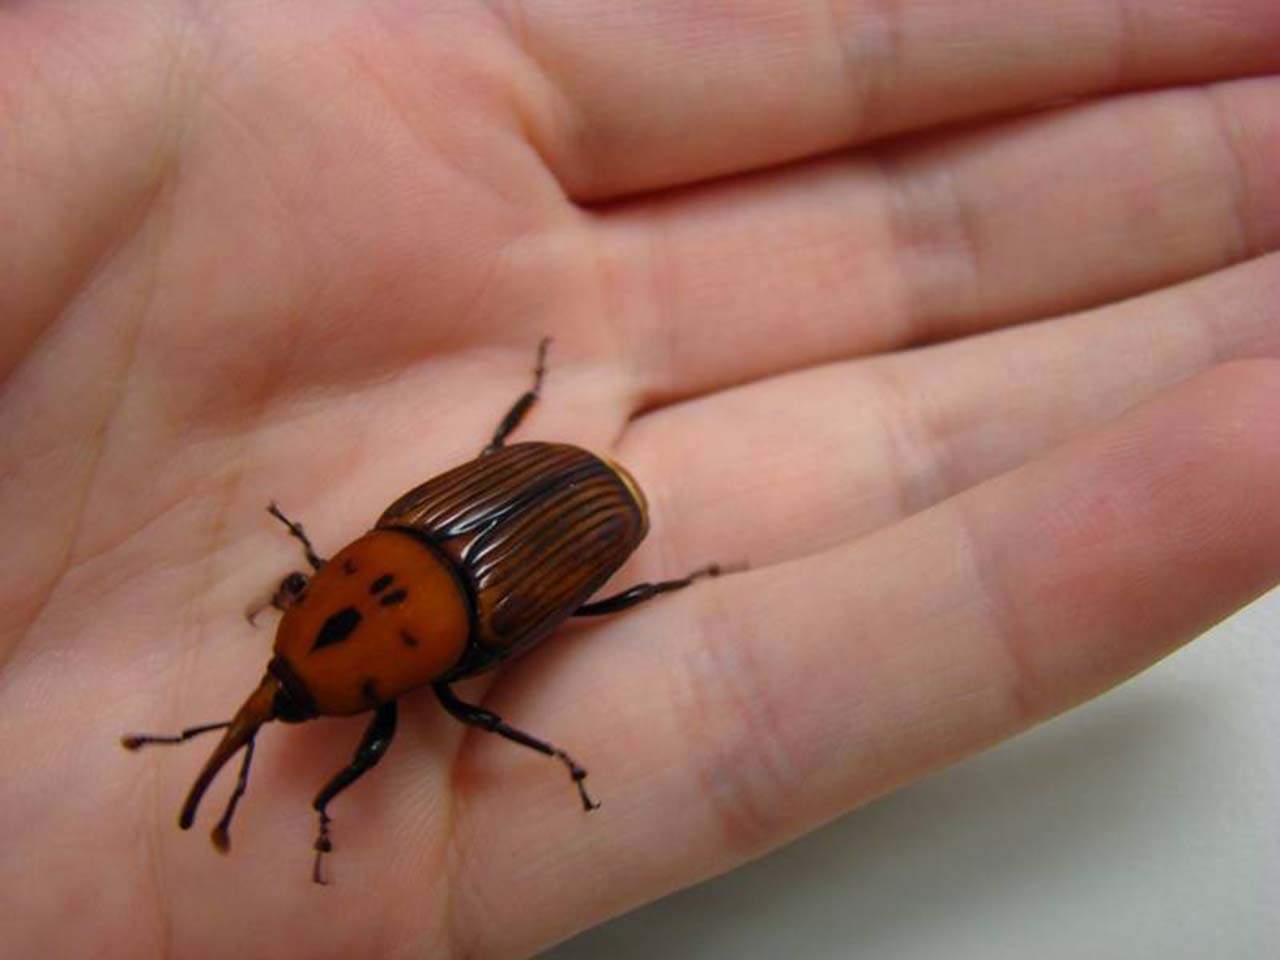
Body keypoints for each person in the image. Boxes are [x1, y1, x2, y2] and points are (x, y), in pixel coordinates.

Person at [1, 2, 1277, 957]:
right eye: (297, 684)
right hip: (501, 521)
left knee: (456, 649)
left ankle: (669, 564)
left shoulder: (409, 647)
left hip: (549, 516)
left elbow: (365, 683)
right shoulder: (371, 593)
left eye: (284, 669)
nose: (280, 690)